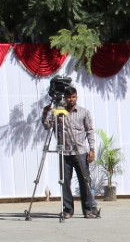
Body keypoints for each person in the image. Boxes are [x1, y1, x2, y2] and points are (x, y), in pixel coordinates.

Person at [41, 86, 100, 221]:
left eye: (73, 97)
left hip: (80, 152)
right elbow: (47, 126)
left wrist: (92, 149)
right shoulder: (58, 113)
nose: (71, 99)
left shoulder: (84, 112)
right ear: (64, 98)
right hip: (64, 152)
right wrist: (45, 114)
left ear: (76, 97)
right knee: (65, 182)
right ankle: (68, 210)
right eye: (68, 97)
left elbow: (90, 131)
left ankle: (89, 209)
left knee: (85, 181)